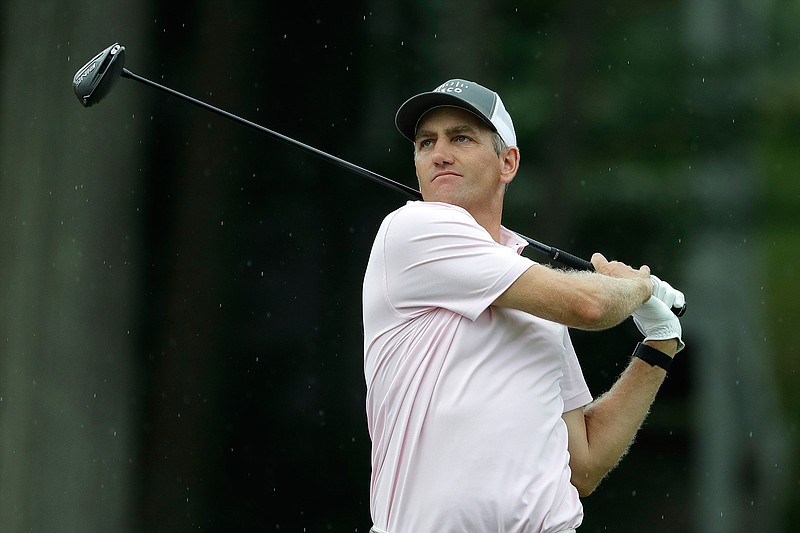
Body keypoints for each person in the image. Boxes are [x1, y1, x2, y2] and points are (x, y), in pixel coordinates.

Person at [362, 79, 685, 533]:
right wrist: (641, 288)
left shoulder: (533, 292)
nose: (438, 154)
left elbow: (585, 464)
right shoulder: (413, 229)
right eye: (425, 143)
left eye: (461, 137)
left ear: (507, 162)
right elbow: (590, 306)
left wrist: (659, 341)